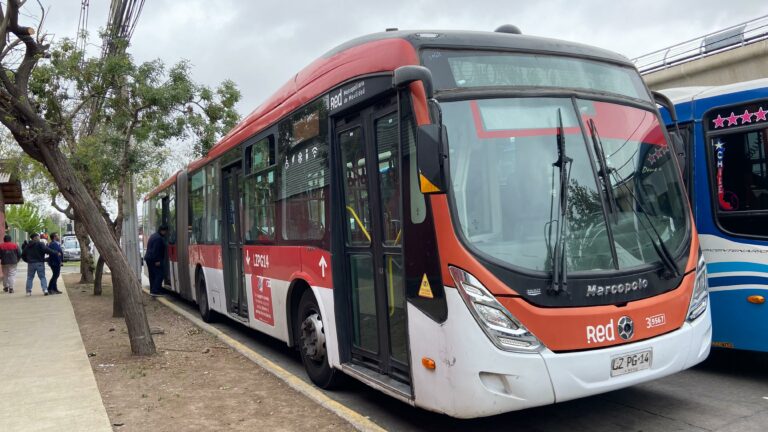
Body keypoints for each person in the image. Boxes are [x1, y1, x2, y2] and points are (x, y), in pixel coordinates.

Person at [144, 224, 168, 297]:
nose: (166, 233)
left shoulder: (154, 236)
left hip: (149, 258)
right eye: (166, 231)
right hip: (154, 259)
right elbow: (156, 250)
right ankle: (155, 291)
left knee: (152, 275)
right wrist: (157, 261)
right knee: (159, 274)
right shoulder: (158, 238)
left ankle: (153, 290)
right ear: (162, 231)